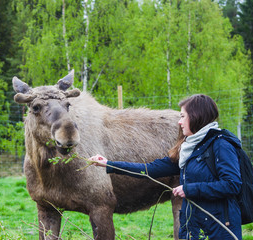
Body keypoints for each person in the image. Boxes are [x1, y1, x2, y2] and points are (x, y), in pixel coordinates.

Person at [89, 94, 242, 240]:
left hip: (221, 227)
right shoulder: (189, 149)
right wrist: (109, 164)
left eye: (183, 117)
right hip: (195, 226)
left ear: (197, 117)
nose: (179, 122)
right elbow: (149, 169)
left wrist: (189, 189)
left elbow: (232, 184)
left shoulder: (221, 145)